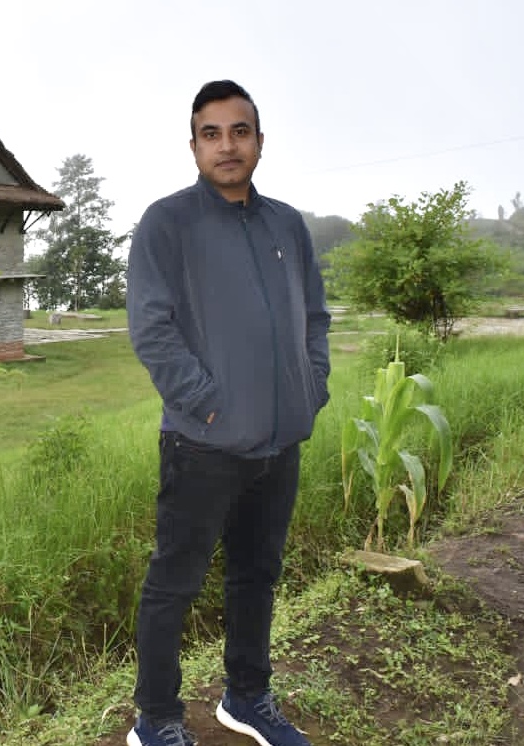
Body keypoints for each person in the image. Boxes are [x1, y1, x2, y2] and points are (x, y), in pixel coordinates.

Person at [124, 80, 331, 746]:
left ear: (259, 141)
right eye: (210, 134)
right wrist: (207, 406)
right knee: (174, 584)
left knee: (256, 576)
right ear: (193, 146)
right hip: (202, 444)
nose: (227, 145)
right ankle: (157, 719)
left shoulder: (286, 224)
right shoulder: (167, 223)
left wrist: (311, 388)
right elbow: (151, 329)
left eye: (239, 131)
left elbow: (315, 317)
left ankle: (246, 699)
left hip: (279, 444)